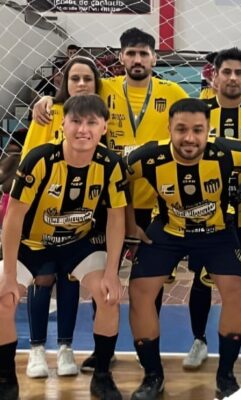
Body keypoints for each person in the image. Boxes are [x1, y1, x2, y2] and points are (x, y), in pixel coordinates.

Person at [32, 27, 189, 372]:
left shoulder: (174, 91)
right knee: (105, 277)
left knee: (149, 283)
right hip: (108, 202)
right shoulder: (106, 88)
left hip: (155, 202)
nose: (137, 59)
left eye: (144, 53)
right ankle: (104, 352)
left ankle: (147, 346)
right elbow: (71, 97)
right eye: (131, 53)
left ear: (155, 58)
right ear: (121, 57)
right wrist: (45, 102)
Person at [125, 98, 241, 399]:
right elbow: (117, 178)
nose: (189, 138)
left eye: (197, 130)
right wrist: (130, 225)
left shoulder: (227, 151)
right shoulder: (149, 157)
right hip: (168, 230)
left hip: (216, 232)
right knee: (139, 291)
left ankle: (226, 376)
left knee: (237, 289)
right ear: (169, 129)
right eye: (181, 129)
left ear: (208, 130)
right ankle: (152, 376)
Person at [0, 94, 129, 400]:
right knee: (2, 298)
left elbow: (116, 219)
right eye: (76, 121)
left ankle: (102, 376)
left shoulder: (111, 164)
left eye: (91, 123)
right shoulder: (40, 159)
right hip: (32, 244)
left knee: (108, 296)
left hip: (78, 243)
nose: (83, 129)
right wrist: (9, 276)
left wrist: (112, 272)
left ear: (104, 128)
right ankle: (6, 378)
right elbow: (13, 218)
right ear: (63, 124)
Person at [182, 47, 241, 371]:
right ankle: (198, 340)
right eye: (226, 72)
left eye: (238, 73)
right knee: (202, 278)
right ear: (214, 77)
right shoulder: (200, 112)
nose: (232, 78)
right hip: (207, 214)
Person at [20, 56, 102, 380]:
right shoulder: (48, 112)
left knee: (70, 279)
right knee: (42, 278)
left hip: (82, 215)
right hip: (44, 214)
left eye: (87, 78)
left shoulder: (100, 116)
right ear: (64, 83)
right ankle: (37, 349)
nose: (81, 84)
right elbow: (27, 160)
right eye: (75, 78)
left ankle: (66, 347)